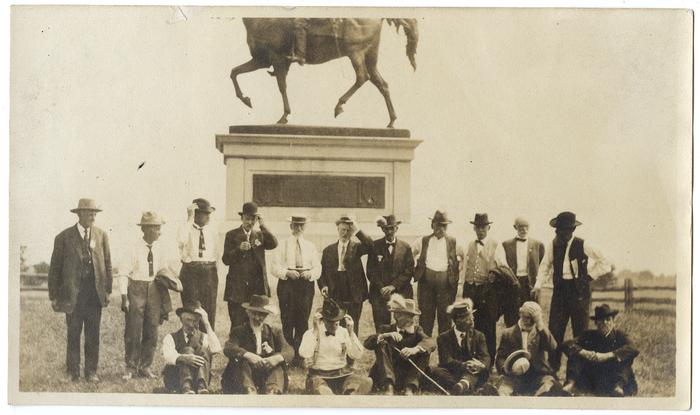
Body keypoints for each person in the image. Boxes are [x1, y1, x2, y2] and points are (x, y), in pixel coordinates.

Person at [531, 211, 613, 372]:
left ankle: (578, 372)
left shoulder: (584, 244)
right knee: (554, 330)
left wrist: (588, 276)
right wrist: (538, 284)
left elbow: (606, 263)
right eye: (557, 229)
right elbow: (545, 266)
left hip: (579, 293)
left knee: (581, 333)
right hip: (560, 292)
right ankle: (552, 369)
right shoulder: (553, 245)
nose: (558, 232)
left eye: (562, 229)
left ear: (571, 230)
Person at [48, 198, 113, 383]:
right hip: (73, 294)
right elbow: (55, 269)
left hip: (94, 295)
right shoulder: (63, 237)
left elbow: (107, 264)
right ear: (79, 214)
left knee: (93, 335)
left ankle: (91, 372)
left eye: (94, 212)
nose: (92, 215)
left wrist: (107, 290)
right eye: (89, 212)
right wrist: (54, 295)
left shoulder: (101, 236)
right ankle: (73, 372)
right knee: (73, 333)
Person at [119, 211, 181, 380]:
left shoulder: (160, 249)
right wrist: (124, 297)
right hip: (136, 288)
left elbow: (163, 269)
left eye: (160, 228)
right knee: (133, 329)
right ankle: (130, 367)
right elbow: (123, 272)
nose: (160, 232)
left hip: (154, 289)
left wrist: (174, 280)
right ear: (146, 229)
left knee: (152, 329)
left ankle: (145, 366)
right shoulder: (133, 249)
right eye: (156, 228)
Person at [270, 215, 320, 366]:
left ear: (304, 227)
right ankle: (287, 356)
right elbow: (274, 266)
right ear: (291, 227)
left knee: (302, 320)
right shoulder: (282, 245)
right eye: (295, 225)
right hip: (288, 284)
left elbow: (318, 267)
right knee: (287, 319)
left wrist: (310, 274)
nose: (298, 228)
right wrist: (286, 273)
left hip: (305, 284)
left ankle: (300, 356)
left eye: (301, 226)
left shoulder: (311, 246)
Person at [363, 294, 435, 395]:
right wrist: (385, 335)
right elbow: (367, 344)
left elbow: (430, 342)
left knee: (424, 351)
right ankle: (389, 387)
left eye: (412, 316)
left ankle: (410, 388)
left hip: (409, 375)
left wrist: (415, 349)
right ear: (396, 315)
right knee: (381, 343)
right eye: (408, 315)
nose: (412, 319)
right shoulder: (386, 329)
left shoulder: (417, 330)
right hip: (388, 373)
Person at [222, 202, 278, 331]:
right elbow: (225, 260)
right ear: (241, 218)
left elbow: (274, 243)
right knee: (237, 320)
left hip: (255, 288)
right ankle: (236, 347)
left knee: (255, 321)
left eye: (253, 219)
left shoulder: (259, 235)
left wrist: (263, 225)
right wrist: (238, 249)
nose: (250, 222)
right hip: (237, 288)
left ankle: (253, 346)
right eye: (247, 218)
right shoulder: (231, 235)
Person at [461, 213, 510, 362]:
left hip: (487, 292)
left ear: (488, 227)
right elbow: (465, 267)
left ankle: (489, 362)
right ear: (474, 228)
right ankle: (470, 357)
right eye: (477, 227)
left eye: (483, 227)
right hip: (471, 289)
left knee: (488, 327)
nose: (480, 230)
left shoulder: (496, 245)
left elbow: (503, 268)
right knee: (469, 324)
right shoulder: (470, 245)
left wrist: (493, 277)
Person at [561, 304, 639, 397]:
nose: (605, 323)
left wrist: (608, 355)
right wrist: (585, 353)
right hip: (594, 379)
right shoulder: (589, 335)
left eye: (608, 320)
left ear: (613, 322)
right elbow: (566, 344)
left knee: (624, 357)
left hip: (613, 378)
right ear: (596, 323)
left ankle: (618, 388)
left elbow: (633, 348)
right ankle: (571, 384)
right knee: (575, 353)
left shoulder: (620, 336)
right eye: (601, 320)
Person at [221, 295, 293, 394]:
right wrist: (248, 355)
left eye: (261, 315)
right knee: (243, 362)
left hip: (265, 376)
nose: (257, 318)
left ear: (266, 315)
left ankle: (272, 391)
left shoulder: (274, 332)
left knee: (277, 365)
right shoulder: (239, 331)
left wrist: (275, 359)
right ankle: (249, 391)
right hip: (246, 375)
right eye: (254, 314)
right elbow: (229, 348)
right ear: (248, 312)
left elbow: (289, 350)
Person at [299, 298, 372, 395]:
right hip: (319, 375)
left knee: (366, 382)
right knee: (320, 389)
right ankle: (327, 394)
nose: (334, 326)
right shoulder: (311, 333)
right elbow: (305, 353)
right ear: (322, 320)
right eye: (330, 322)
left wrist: (351, 333)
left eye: (337, 322)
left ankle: (349, 392)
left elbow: (356, 355)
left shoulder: (344, 332)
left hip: (341, 374)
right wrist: (315, 332)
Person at [318, 214, 373, 335]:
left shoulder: (357, 248)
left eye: (349, 231)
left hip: (353, 291)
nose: (345, 233)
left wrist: (357, 230)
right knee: (333, 323)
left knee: (352, 324)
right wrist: (323, 286)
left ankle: (351, 352)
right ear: (337, 229)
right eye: (343, 229)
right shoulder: (328, 250)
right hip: (334, 290)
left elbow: (370, 245)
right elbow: (321, 272)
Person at [495, 301, 564, 396]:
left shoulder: (541, 332)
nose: (529, 322)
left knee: (550, 385)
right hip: (515, 376)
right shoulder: (508, 333)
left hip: (538, 375)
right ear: (520, 314)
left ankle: (538, 397)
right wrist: (506, 368)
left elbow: (553, 347)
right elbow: (500, 357)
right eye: (526, 317)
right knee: (503, 389)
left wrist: (540, 325)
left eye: (533, 319)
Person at [411, 209, 460, 336]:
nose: (441, 228)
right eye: (438, 225)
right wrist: (414, 271)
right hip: (426, 287)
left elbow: (465, 258)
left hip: (446, 289)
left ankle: (445, 354)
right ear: (432, 225)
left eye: (444, 225)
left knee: (445, 321)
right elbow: (409, 254)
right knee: (426, 320)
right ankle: (423, 353)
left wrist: (457, 276)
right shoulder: (422, 241)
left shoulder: (454, 242)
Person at [429, 298, 491, 395]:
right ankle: (466, 386)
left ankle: (461, 386)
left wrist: (481, 365)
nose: (472, 321)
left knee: (475, 372)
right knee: (436, 371)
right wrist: (463, 365)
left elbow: (485, 356)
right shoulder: (443, 338)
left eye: (472, 317)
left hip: (472, 371)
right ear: (458, 321)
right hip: (453, 371)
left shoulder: (479, 335)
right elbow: (446, 360)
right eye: (468, 319)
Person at [367, 214, 415, 331]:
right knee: (381, 326)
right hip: (379, 293)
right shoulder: (375, 245)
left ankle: (401, 348)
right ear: (382, 229)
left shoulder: (406, 247)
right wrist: (382, 287)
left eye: (391, 228)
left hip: (401, 291)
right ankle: (382, 348)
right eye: (386, 228)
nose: (389, 232)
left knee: (403, 325)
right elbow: (371, 271)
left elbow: (409, 271)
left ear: (396, 228)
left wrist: (393, 286)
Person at [177, 198, 219, 329]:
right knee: (191, 309)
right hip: (191, 270)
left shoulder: (212, 230)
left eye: (208, 214)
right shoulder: (185, 228)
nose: (208, 217)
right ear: (195, 214)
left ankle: (207, 342)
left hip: (209, 271)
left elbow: (216, 252)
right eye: (204, 213)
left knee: (209, 310)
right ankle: (192, 342)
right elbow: (181, 241)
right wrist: (189, 219)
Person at [162, 303, 222, 394]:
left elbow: (216, 349)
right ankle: (186, 387)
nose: (191, 324)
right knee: (188, 350)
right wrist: (185, 358)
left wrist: (207, 323)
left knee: (203, 350)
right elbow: (168, 356)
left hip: (198, 381)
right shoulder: (171, 337)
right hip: (176, 380)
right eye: (188, 320)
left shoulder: (204, 336)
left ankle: (201, 386)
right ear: (181, 320)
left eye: (195, 321)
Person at [502, 217, 545, 313]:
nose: (524, 230)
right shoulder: (506, 244)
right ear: (515, 227)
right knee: (512, 312)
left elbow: (543, 266)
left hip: (530, 284)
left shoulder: (538, 244)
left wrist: (538, 284)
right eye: (521, 227)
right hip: (513, 282)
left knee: (531, 312)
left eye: (526, 227)